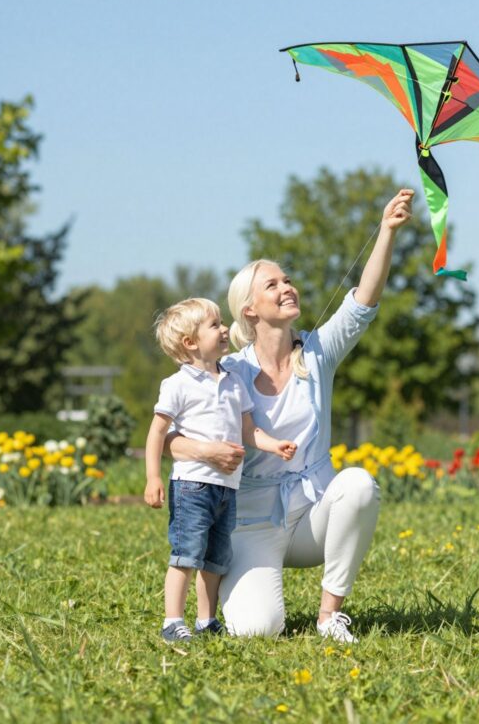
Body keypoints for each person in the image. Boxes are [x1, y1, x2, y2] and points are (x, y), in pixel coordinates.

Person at [165, 189, 414, 642]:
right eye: (273, 285)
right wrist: (206, 451)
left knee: (359, 485)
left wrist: (387, 231)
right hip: (250, 523)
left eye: (288, 280)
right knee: (257, 629)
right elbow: (171, 440)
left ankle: (329, 615)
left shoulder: (318, 354)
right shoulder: (229, 371)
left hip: (312, 516)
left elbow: (363, 302)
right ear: (249, 309)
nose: (287, 288)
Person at [144, 297, 297, 642]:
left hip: (227, 487)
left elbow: (249, 430)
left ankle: (206, 620)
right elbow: (157, 433)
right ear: (190, 342)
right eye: (214, 325)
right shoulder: (178, 384)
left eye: (221, 321)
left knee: (215, 559)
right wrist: (153, 477)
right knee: (186, 554)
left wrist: (274, 445)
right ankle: (172, 621)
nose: (225, 328)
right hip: (192, 486)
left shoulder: (233, 382)